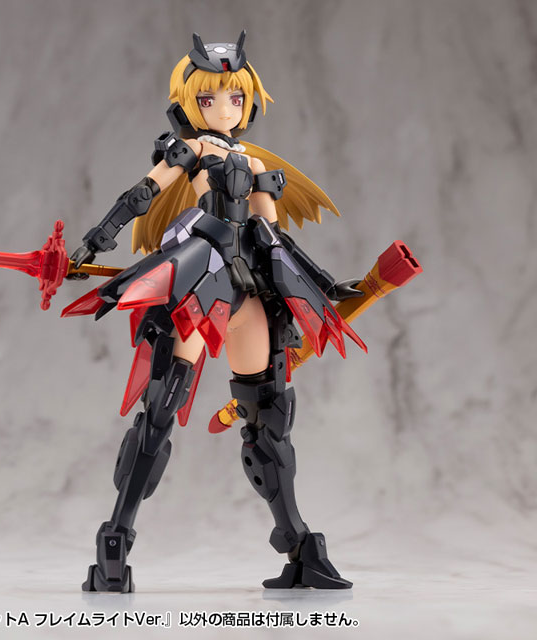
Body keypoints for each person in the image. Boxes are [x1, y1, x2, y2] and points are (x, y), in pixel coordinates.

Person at [65, 31, 364, 593]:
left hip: (250, 284)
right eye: (208, 98)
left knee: (267, 412)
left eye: (234, 97)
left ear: (248, 101)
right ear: (188, 102)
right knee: (163, 406)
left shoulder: (254, 161)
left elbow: (272, 233)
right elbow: (141, 195)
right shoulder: (192, 151)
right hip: (205, 281)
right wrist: (93, 242)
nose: (224, 108)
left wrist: (322, 284)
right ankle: (115, 545)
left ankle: (300, 547)